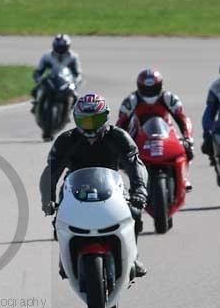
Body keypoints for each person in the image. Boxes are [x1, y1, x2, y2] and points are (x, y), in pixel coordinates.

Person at [39, 93, 149, 277]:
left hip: (113, 188)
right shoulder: (66, 140)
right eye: (85, 121)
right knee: (59, 221)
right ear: (76, 120)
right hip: (74, 189)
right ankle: (65, 257)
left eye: (95, 120)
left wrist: (139, 190)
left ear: (105, 117)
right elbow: (51, 171)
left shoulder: (119, 137)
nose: (90, 127)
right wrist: (47, 198)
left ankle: (133, 255)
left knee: (134, 214)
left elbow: (135, 164)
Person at [116, 68, 195, 191]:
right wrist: (120, 142)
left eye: (153, 88)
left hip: (165, 131)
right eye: (146, 89)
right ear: (140, 87)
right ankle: (134, 181)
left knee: (187, 148)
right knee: (122, 157)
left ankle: (184, 178)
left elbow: (182, 118)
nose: (149, 92)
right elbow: (121, 123)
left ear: (160, 86)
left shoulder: (169, 98)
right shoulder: (131, 101)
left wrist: (187, 136)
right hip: (139, 132)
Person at [31, 34, 83, 111]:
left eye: (63, 47)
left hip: (66, 81)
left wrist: (75, 82)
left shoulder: (73, 57)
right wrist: (39, 79)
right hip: (51, 79)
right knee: (35, 90)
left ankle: (70, 111)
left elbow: (78, 73)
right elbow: (39, 70)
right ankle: (37, 105)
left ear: (68, 46)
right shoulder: (47, 56)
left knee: (75, 96)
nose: (60, 50)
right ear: (54, 46)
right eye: (58, 47)